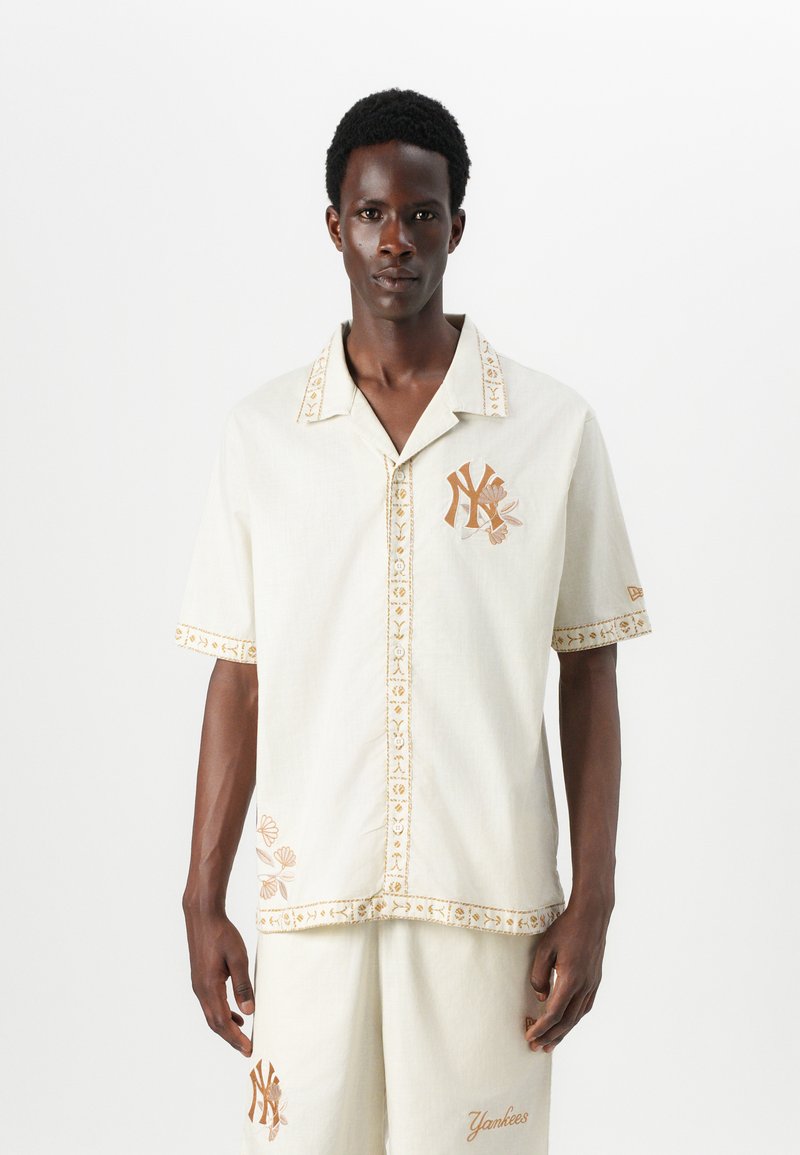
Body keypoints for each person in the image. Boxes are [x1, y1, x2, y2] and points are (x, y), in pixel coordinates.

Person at [174, 87, 653, 1155]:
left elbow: (589, 670)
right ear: (334, 224)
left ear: (456, 227)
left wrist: (595, 897)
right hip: (311, 906)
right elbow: (238, 678)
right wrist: (200, 897)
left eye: (421, 214)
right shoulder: (262, 436)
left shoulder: (551, 430)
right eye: (371, 213)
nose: (396, 239)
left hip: (488, 905)